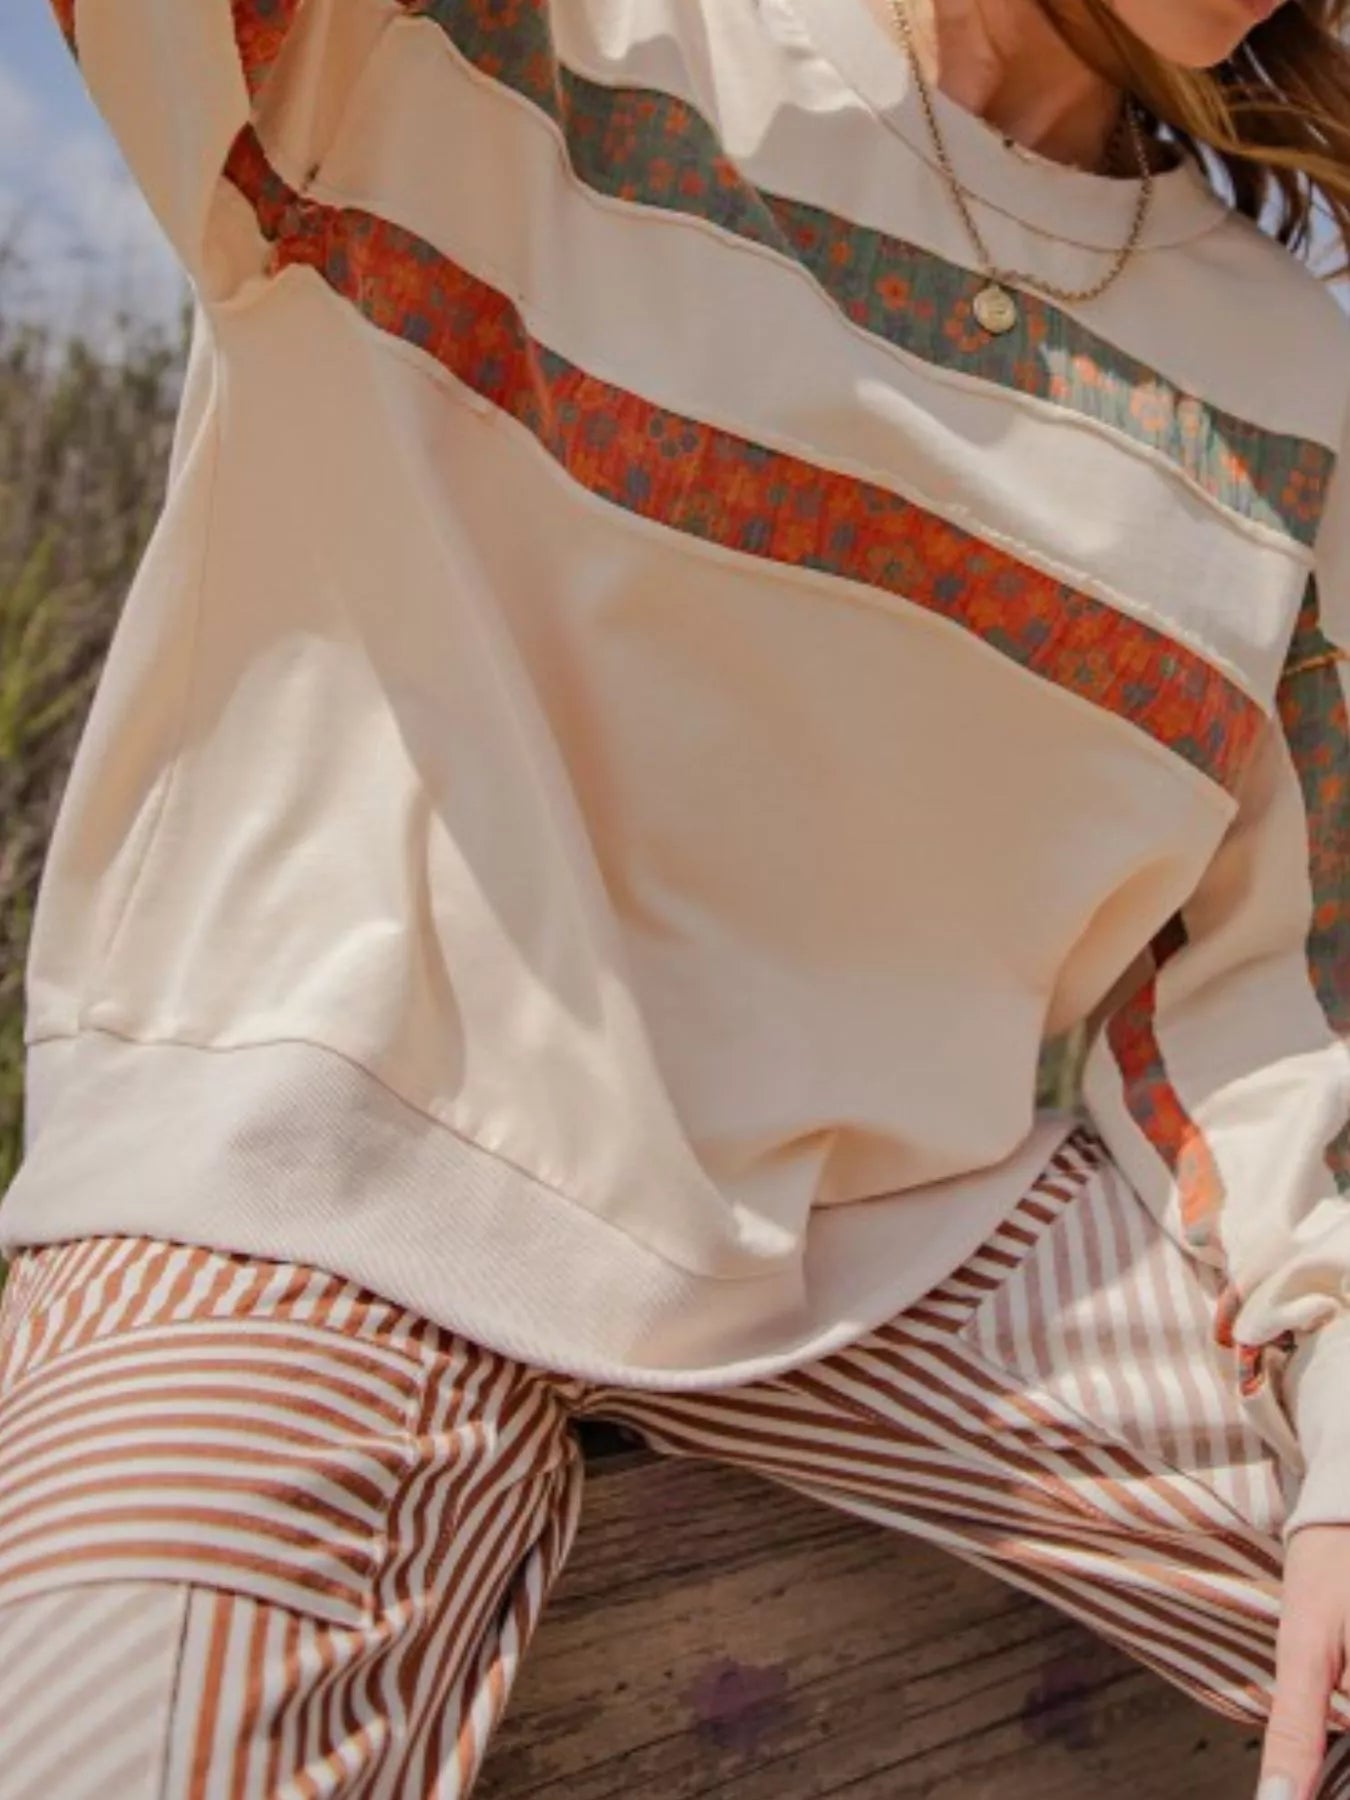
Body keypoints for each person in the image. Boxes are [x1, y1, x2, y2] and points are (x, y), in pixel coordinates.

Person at [1, 0, 1349, 1793]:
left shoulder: (1288, 387)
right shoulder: (491, 37)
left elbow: (1272, 1020)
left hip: (904, 1243)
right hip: (318, 1169)